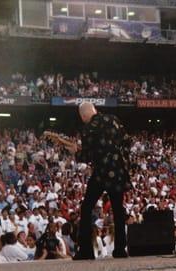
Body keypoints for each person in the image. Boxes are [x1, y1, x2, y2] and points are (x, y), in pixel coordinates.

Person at [53, 102, 131, 260]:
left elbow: (87, 157)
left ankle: (86, 251)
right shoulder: (113, 119)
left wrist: (76, 151)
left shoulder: (88, 128)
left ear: (83, 115)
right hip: (118, 170)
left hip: (102, 173)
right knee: (117, 209)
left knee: (87, 207)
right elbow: (127, 141)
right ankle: (120, 250)